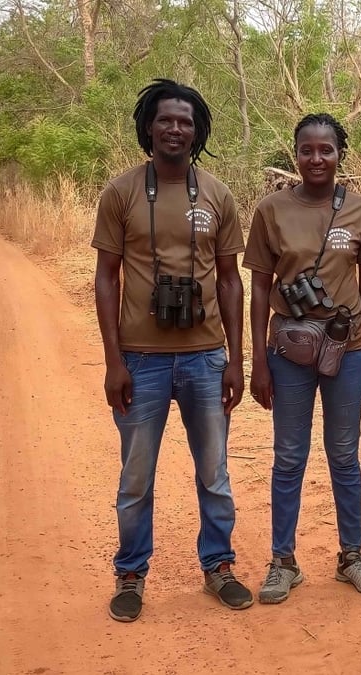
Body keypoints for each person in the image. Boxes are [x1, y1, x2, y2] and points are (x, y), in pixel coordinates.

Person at [92, 78, 253, 621]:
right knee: (136, 477)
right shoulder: (121, 193)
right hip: (141, 358)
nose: (176, 129)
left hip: (206, 358)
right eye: (166, 120)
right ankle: (131, 574)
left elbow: (231, 280)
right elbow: (105, 278)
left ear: (197, 130)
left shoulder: (217, 193)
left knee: (214, 472)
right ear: (149, 127)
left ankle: (219, 566)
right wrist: (114, 361)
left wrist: (236, 358)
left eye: (186, 121)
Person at [243, 113, 361, 604]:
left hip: (349, 350)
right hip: (288, 351)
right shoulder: (271, 210)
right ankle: (282, 561)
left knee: (344, 455)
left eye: (326, 150)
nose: (316, 159)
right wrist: (258, 360)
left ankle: (352, 555)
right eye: (307, 150)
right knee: (288, 457)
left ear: (340, 154)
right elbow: (259, 286)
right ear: (295, 154)